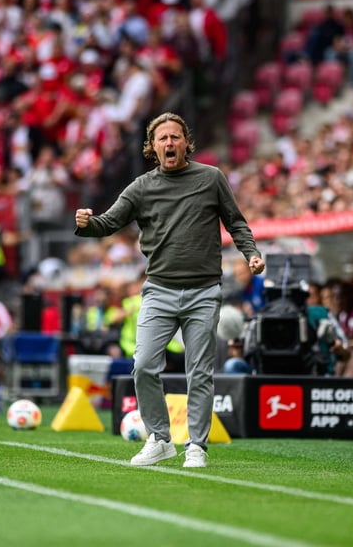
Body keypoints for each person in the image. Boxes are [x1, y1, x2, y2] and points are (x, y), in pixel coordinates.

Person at [74, 112, 264, 468]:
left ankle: (197, 446)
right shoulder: (141, 186)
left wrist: (251, 253)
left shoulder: (211, 178)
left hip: (203, 291)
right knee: (143, 365)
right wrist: (86, 223)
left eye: (175, 137)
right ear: (153, 146)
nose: (169, 143)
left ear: (186, 142)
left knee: (200, 371)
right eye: (162, 139)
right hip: (159, 290)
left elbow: (236, 222)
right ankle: (160, 439)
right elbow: (109, 222)